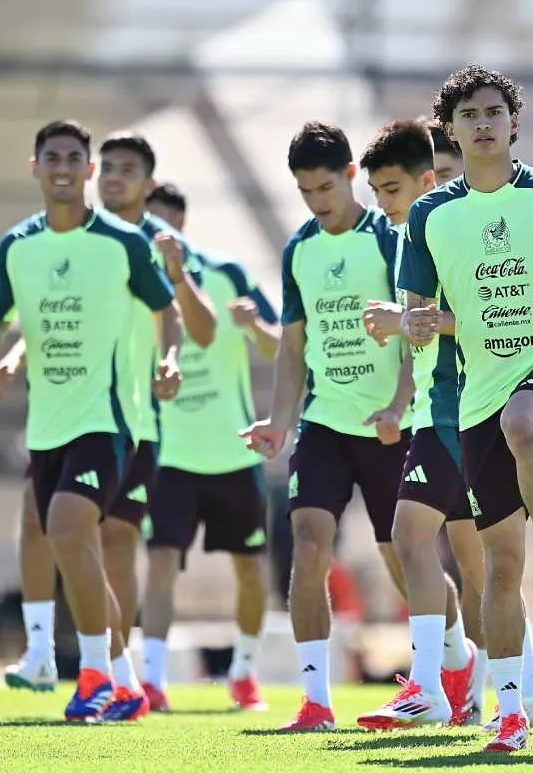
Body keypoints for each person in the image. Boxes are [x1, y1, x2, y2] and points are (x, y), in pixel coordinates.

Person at [399, 65, 533, 752]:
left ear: (514, 122)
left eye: (495, 111)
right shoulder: (430, 215)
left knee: (524, 423)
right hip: (478, 393)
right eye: (470, 116)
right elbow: (422, 310)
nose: (484, 123)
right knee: (497, 566)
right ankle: (513, 711)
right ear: (452, 130)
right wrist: (413, 323)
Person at [0, 119, 180, 721]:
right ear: (35, 168)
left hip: (108, 421)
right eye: (50, 157)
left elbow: (171, 313)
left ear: (87, 170)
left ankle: (92, 676)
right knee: (65, 538)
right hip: (46, 427)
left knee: (66, 527)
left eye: (73, 157)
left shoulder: (123, 243)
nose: (62, 166)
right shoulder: (17, 246)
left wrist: (169, 360)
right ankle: (123, 679)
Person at [240, 121, 414, 731]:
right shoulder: (299, 251)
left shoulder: (391, 239)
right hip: (324, 424)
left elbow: (415, 328)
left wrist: (399, 401)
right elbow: (293, 347)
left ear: (349, 176)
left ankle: (451, 665)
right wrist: (280, 422)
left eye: (325, 187)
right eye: (305, 191)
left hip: (392, 427)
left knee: (405, 560)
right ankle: (316, 701)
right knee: (308, 545)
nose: (317, 202)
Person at [352, 120, 481, 730]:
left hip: (464, 410)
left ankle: (433, 685)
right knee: (471, 560)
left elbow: (479, 317)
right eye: (376, 193)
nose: (383, 205)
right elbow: (419, 340)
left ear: (426, 181)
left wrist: (402, 322)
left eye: (391, 191)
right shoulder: (413, 237)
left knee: (417, 542)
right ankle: (506, 687)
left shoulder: (445, 230)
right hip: (439, 411)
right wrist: (401, 403)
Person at [139, 183, 281, 713]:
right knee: (158, 564)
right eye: (146, 225)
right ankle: (152, 681)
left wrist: (256, 325)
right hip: (168, 456)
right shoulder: (134, 282)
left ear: (182, 221)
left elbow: (281, 341)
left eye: (164, 225)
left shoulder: (227, 273)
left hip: (234, 452)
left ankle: (244, 673)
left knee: (250, 569)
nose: (157, 236)